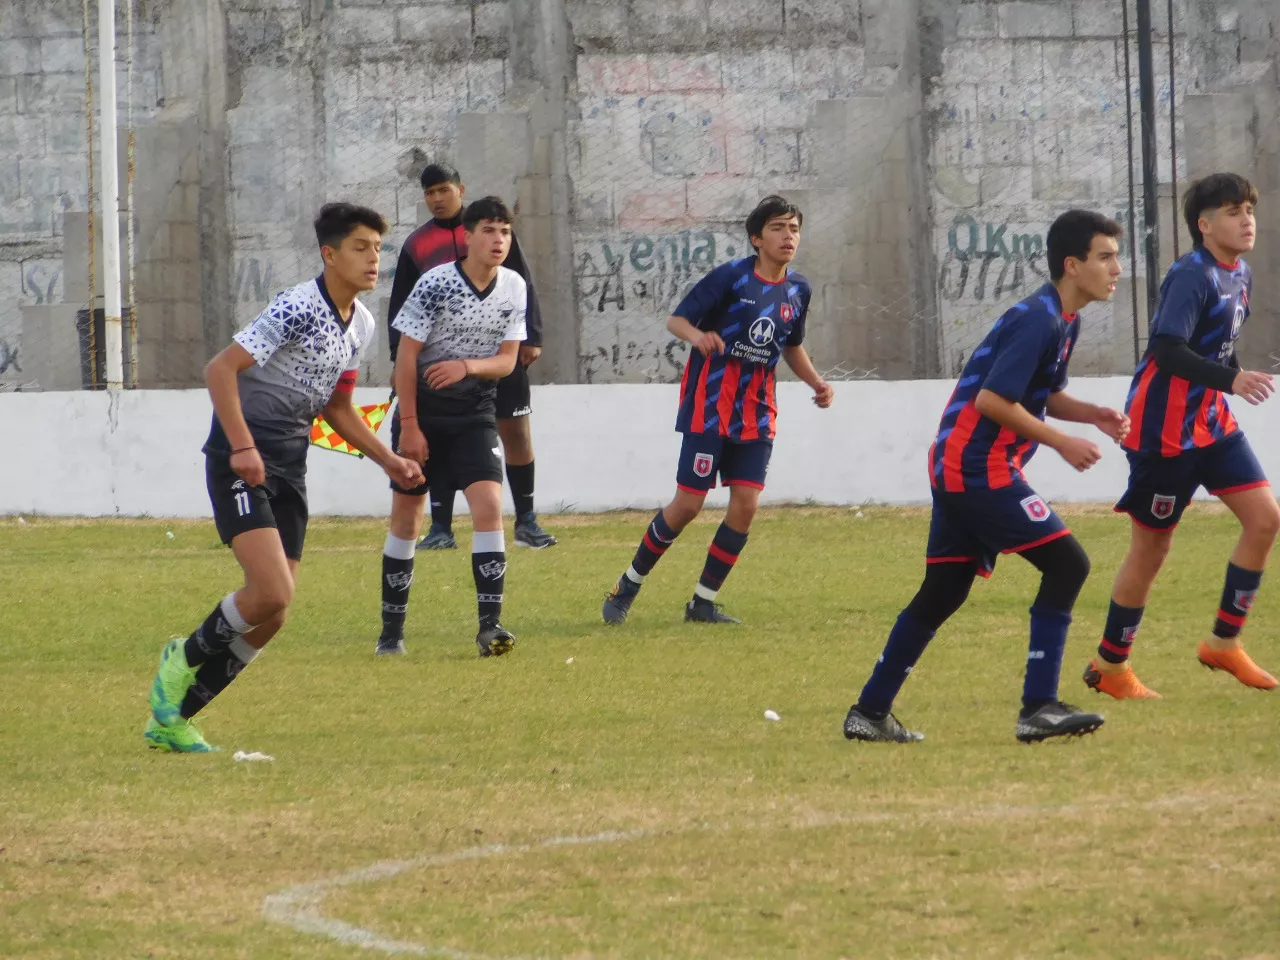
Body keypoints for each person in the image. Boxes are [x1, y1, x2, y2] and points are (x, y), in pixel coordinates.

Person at [145, 203, 423, 752]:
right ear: (330, 254)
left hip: (289, 464)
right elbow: (220, 369)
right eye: (362, 247)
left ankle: (173, 718)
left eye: (378, 248)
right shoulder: (296, 306)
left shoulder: (361, 323)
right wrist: (243, 446)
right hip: (239, 456)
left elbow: (338, 408)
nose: (374, 259)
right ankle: (182, 656)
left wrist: (387, 461)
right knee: (269, 589)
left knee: (274, 613)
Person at [843, 209, 1128, 744]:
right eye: (1106, 257)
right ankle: (1039, 707)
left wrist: (1092, 415)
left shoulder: (1061, 318)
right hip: (977, 466)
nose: (1116, 268)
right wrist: (1060, 441)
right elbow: (993, 399)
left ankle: (870, 713)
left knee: (944, 590)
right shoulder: (1037, 319)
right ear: (1073, 265)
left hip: (961, 462)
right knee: (1068, 564)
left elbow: (1040, 393)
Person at [1084, 173, 1279, 699]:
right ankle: (1110, 666)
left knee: (1265, 519)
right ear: (1205, 224)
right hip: (1163, 432)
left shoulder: (1240, 273)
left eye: (1249, 210)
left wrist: (1233, 376)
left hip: (1212, 424)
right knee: (1151, 550)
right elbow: (1168, 349)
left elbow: (1215, 346)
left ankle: (1223, 643)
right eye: (1233, 211)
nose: (1246, 220)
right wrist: (1233, 380)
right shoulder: (1192, 274)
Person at [601, 195, 834, 626]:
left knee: (745, 506)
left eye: (794, 228)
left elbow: (792, 345)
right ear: (756, 238)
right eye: (779, 228)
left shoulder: (799, 289)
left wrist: (817, 383)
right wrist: (698, 337)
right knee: (688, 505)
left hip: (758, 410)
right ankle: (628, 584)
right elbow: (677, 320)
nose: (788, 236)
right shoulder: (731, 278)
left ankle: (702, 602)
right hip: (710, 405)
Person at [378, 196, 529, 657]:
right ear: (467, 235)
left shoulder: (514, 286)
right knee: (408, 519)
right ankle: (391, 633)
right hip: (422, 414)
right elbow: (406, 356)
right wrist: (409, 426)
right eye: (489, 230)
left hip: (475, 415)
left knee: (488, 506)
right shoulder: (436, 283)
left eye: (504, 231)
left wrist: (466, 366)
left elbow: (507, 361)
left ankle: (490, 627)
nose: (498, 240)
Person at [385, 162, 556, 552]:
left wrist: (532, 335)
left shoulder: (491, 225)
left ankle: (526, 519)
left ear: (460, 189)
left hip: (498, 349)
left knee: (515, 431)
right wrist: (399, 359)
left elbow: (521, 281)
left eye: (444, 190)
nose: (437, 199)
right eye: (430, 193)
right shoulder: (417, 245)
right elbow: (402, 306)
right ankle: (441, 527)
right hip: (438, 363)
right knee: (440, 435)